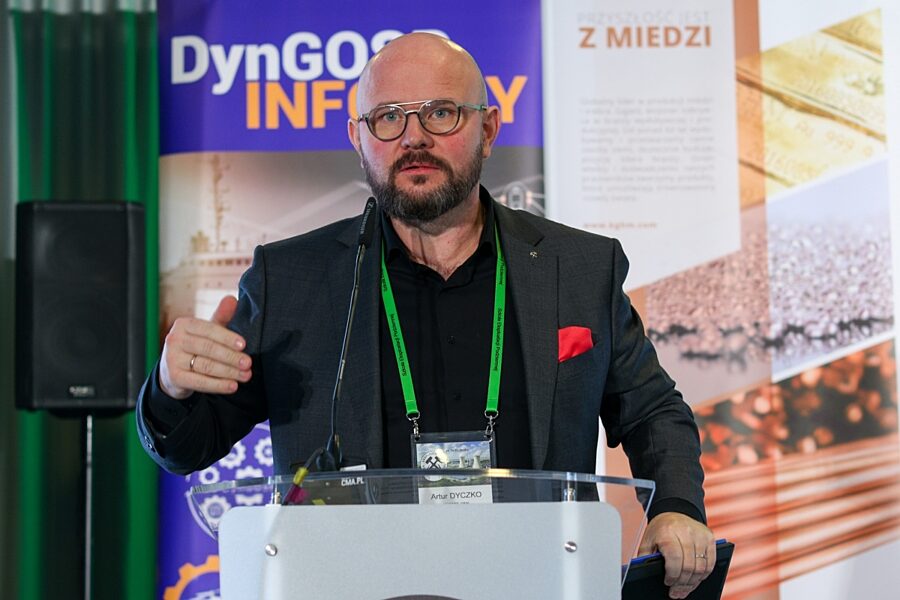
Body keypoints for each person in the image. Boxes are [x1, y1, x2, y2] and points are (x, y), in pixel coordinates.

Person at [137, 32, 715, 598]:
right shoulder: (290, 280)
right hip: (349, 585)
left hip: (540, 582)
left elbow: (652, 410)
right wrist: (170, 387)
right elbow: (190, 446)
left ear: (488, 129)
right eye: (388, 117)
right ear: (359, 139)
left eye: (441, 113)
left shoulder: (580, 268)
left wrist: (676, 506)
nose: (413, 137)